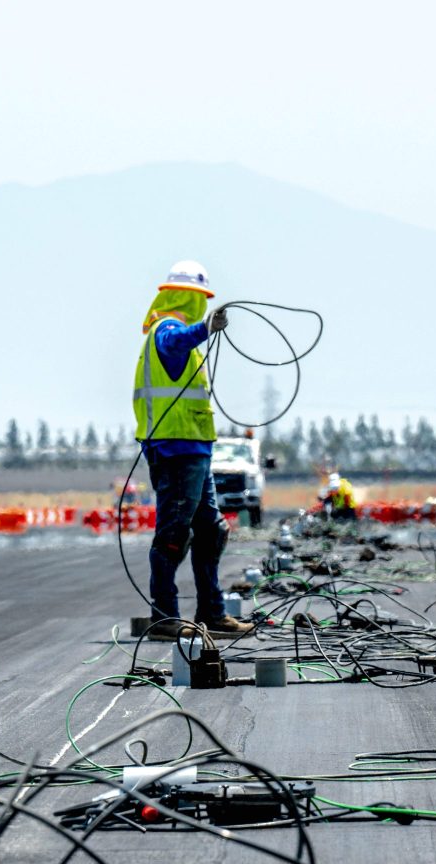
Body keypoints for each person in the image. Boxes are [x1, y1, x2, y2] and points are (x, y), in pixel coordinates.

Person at [134, 261, 253, 640]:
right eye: (198, 298)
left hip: (194, 450)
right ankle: (165, 616)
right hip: (175, 450)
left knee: (211, 530)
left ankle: (212, 613)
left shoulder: (178, 335)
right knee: (174, 534)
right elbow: (176, 341)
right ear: (185, 296)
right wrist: (204, 329)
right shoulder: (166, 329)